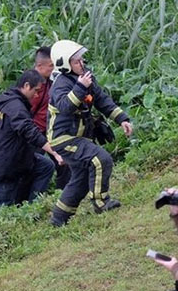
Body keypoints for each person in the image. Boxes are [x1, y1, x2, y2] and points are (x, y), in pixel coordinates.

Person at [47, 39, 134, 227]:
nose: (82, 63)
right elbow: (65, 107)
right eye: (77, 61)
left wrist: (122, 119)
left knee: (82, 178)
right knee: (101, 159)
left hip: (80, 137)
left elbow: (102, 100)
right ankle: (101, 203)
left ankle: (59, 218)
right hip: (63, 139)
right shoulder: (61, 84)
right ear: (64, 64)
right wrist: (80, 87)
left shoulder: (86, 77)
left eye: (81, 60)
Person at [0, 69, 63, 206]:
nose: (36, 95)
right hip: (8, 164)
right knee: (3, 209)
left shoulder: (5, 100)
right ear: (26, 86)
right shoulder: (16, 107)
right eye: (36, 90)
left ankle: (33, 207)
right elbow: (30, 132)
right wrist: (54, 152)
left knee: (45, 166)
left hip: (17, 156)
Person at [31, 46, 71, 190]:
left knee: (64, 162)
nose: (54, 69)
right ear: (39, 66)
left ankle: (63, 193)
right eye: (51, 66)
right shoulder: (30, 84)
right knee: (34, 167)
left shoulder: (50, 80)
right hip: (34, 133)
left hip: (51, 130)